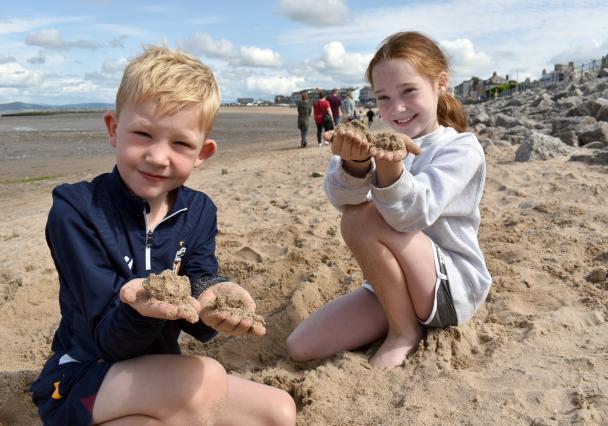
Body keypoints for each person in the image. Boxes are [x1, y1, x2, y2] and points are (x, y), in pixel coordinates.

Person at [30, 45, 296, 425]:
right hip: (84, 377)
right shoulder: (76, 210)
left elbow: (199, 292)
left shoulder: (199, 211)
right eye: (143, 134)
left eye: (180, 143)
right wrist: (139, 309)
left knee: (278, 412)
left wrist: (215, 296)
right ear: (113, 129)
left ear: (202, 153)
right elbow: (107, 337)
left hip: (162, 373)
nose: (158, 156)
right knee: (204, 381)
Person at [287, 31, 491, 370]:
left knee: (360, 219)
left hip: (450, 289)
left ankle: (403, 332)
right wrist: (355, 165)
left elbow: (412, 215)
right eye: (383, 97)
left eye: (409, 91)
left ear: (440, 83)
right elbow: (341, 198)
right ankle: (399, 314)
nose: (396, 108)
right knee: (302, 346)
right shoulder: (383, 141)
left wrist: (390, 166)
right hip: (394, 284)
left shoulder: (461, 148)